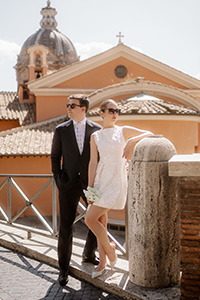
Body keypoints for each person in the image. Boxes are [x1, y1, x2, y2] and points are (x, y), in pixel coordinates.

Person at [85, 99, 154, 278]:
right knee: (100, 222)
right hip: (101, 180)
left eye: (117, 110)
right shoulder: (95, 136)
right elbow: (93, 163)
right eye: (111, 110)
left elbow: (150, 133)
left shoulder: (122, 131)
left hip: (116, 180)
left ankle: (110, 250)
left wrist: (131, 141)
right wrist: (90, 187)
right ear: (102, 113)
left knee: (89, 220)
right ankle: (102, 263)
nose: (115, 113)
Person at [51, 94, 102, 286]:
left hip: (89, 184)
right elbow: (55, 157)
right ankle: (63, 269)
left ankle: (89, 254)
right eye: (67, 105)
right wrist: (58, 179)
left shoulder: (97, 130)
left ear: (83, 109)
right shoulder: (61, 130)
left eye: (72, 105)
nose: (68, 108)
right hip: (67, 184)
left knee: (95, 220)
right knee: (66, 228)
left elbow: (101, 157)